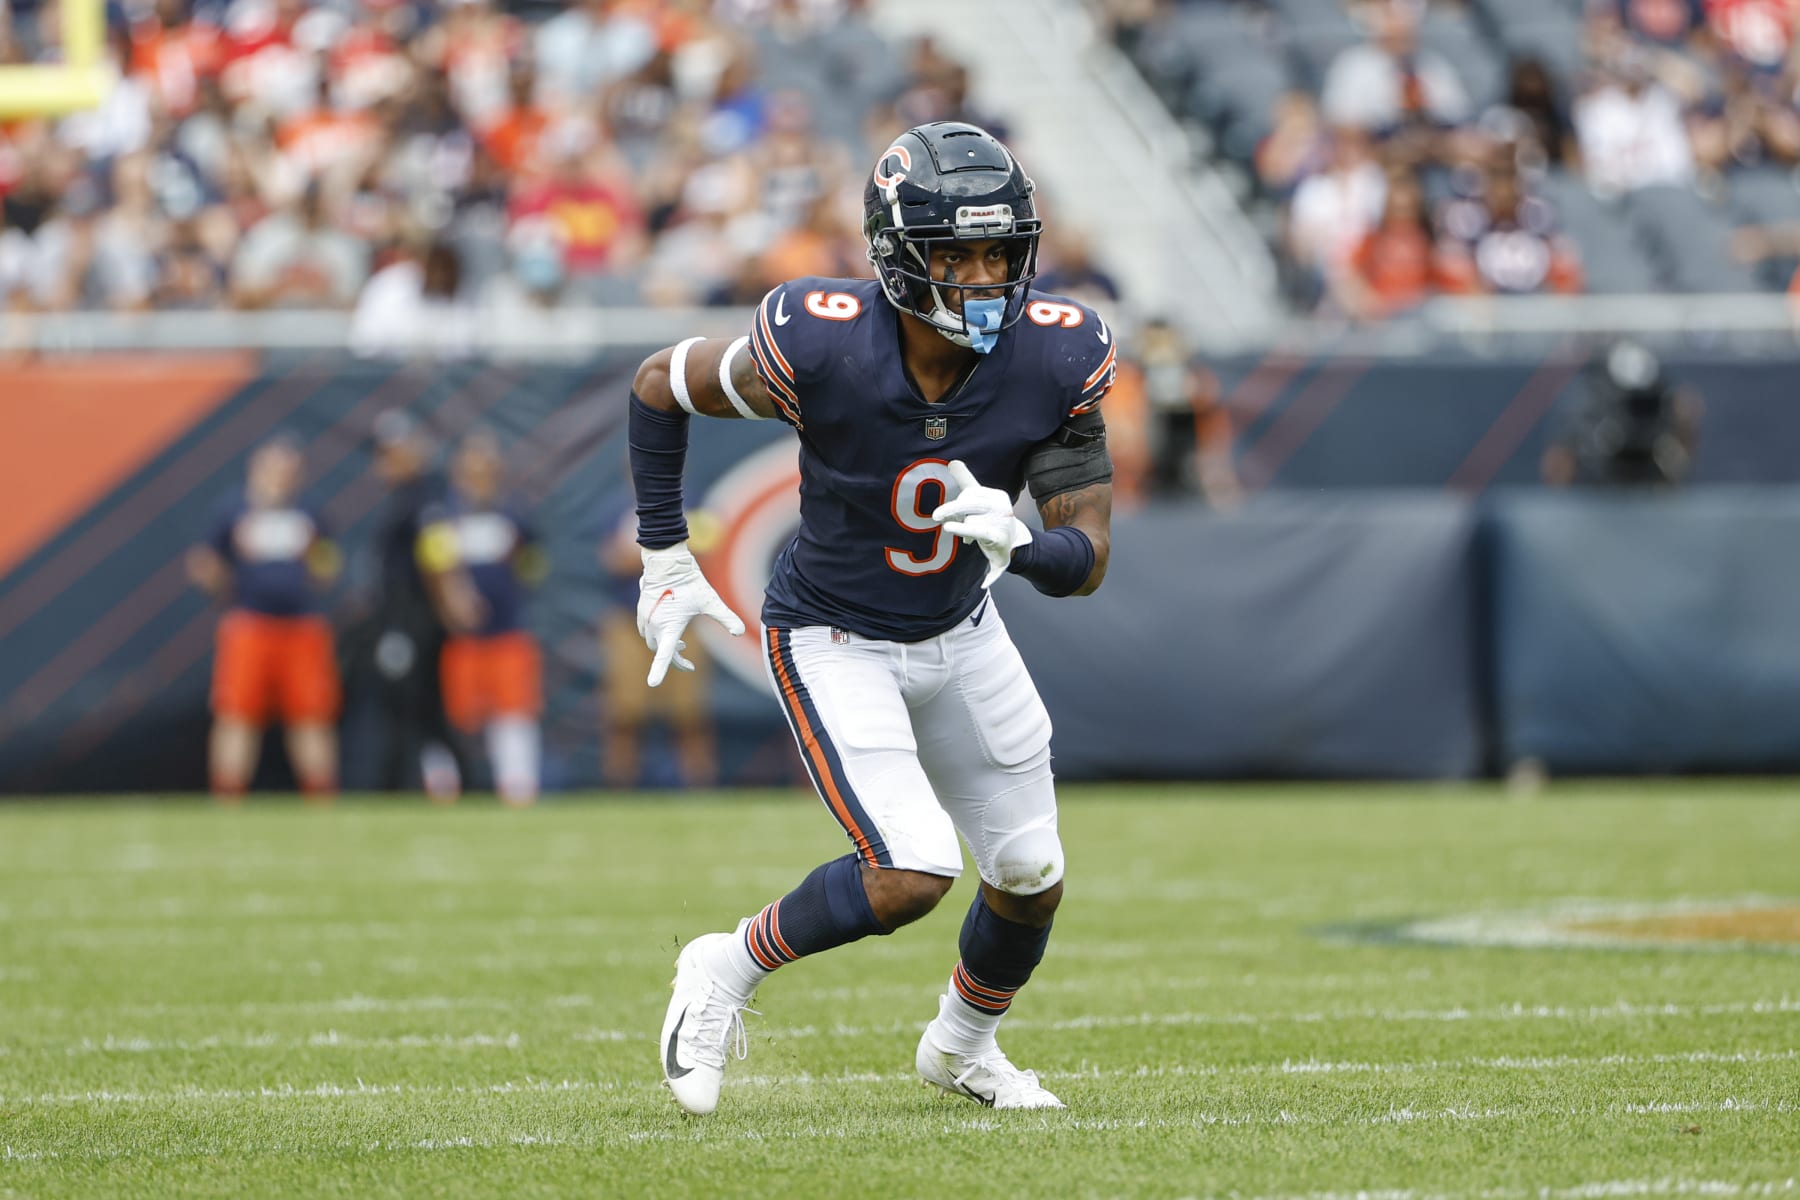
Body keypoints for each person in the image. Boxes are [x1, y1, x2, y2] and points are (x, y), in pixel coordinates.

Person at [635, 121, 1115, 1115]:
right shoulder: (818, 343)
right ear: (901, 257)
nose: (985, 277)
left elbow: (1089, 557)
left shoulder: (1057, 356)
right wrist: (663, 552)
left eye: (1000, 252)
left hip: (962, 630)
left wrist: (1025, 548)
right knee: (912, 871)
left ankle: (960, 1047)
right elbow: (656, 385)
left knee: (1031, 871)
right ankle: (723, 965)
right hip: (833, 632)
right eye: (957, 254)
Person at [186, 436, 341, 802]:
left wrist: (314, 563)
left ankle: (321, 796)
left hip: (301, 625)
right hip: (251, 624)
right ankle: (228, 796)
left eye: (287, 470)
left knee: (310, 714)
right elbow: (205, 561)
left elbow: (328, 565)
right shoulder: (232, 509)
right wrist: (226, 589)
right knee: (238, 713)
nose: (280, 477)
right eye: (273, 469)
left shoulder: (310, 512)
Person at [419, 430, 547, 807]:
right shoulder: (442, 515)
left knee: (514, 712)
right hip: (462, 638)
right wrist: (450, 602)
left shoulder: (514, 514)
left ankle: (518, 787)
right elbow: (433, 568)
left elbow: (533, 564)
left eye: (487, 467)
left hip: (507, 631)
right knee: (458, 715)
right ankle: (444, 787)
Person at [365, 410, 462, 800]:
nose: (383, 463)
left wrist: (453, 601)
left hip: (415, 618)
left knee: (417, 703)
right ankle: (420, 783)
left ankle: (427, 783)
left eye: (392, 454)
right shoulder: (405, 498)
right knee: (410, 705)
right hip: (401, 615)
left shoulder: (424, 497)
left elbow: (437, 557)